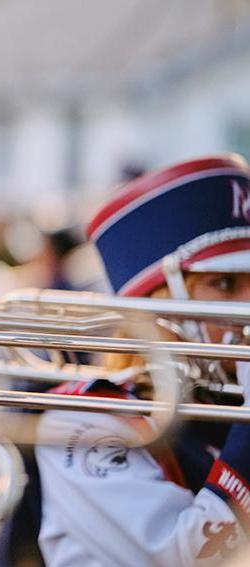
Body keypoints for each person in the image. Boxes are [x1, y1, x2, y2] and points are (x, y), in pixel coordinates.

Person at [35, 154, 250, 566]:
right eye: (223, 284)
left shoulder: (231, 405)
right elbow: (184, 557)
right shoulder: (86, 419)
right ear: (158, 309)